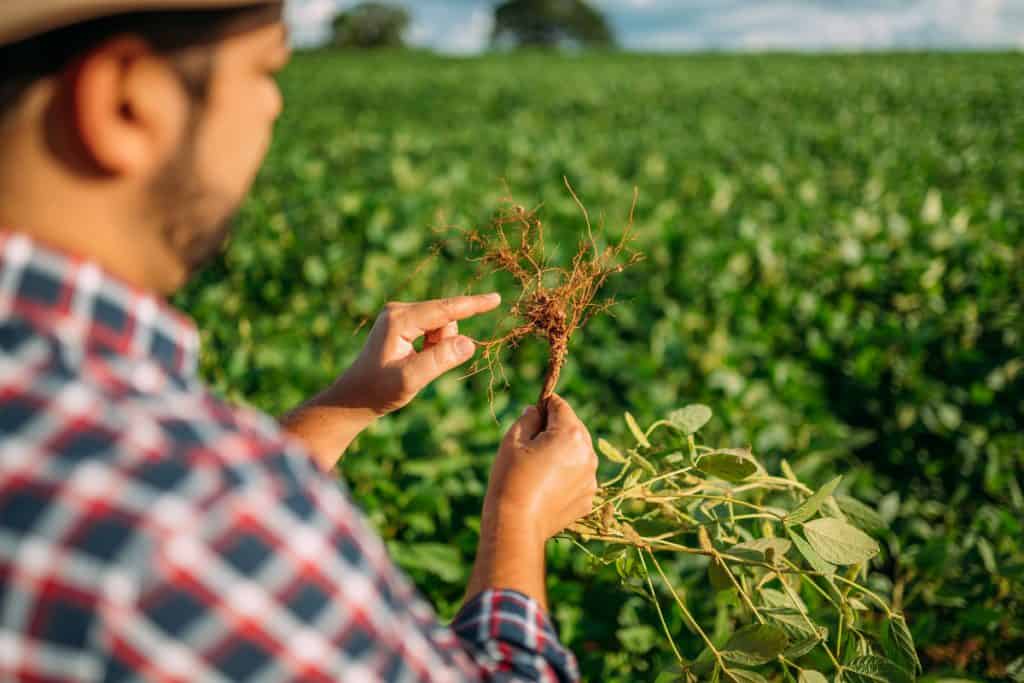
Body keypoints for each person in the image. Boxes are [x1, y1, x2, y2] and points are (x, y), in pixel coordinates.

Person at [0, 1, 598, 680]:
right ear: (125, 102)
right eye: (265, 70)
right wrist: (517, 522)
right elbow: (215, 521)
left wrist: (346, 406)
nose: (275, 107)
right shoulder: (183, 518)